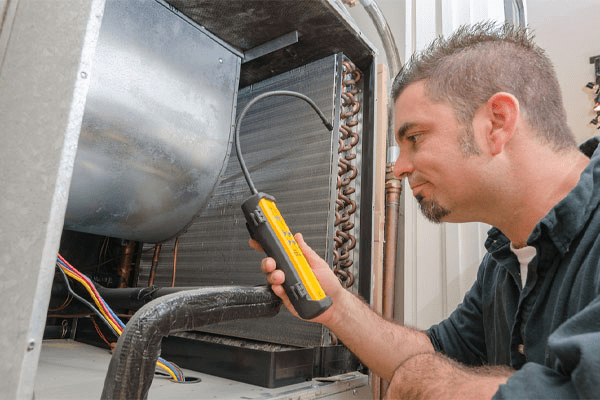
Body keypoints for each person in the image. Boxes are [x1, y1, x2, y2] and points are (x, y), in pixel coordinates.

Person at [256, 21, 600, 399]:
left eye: (415, 138)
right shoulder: (504, 261)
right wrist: (335, 305)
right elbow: (440, 354)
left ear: (497, 122)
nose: (399, 167)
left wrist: (432, 383)